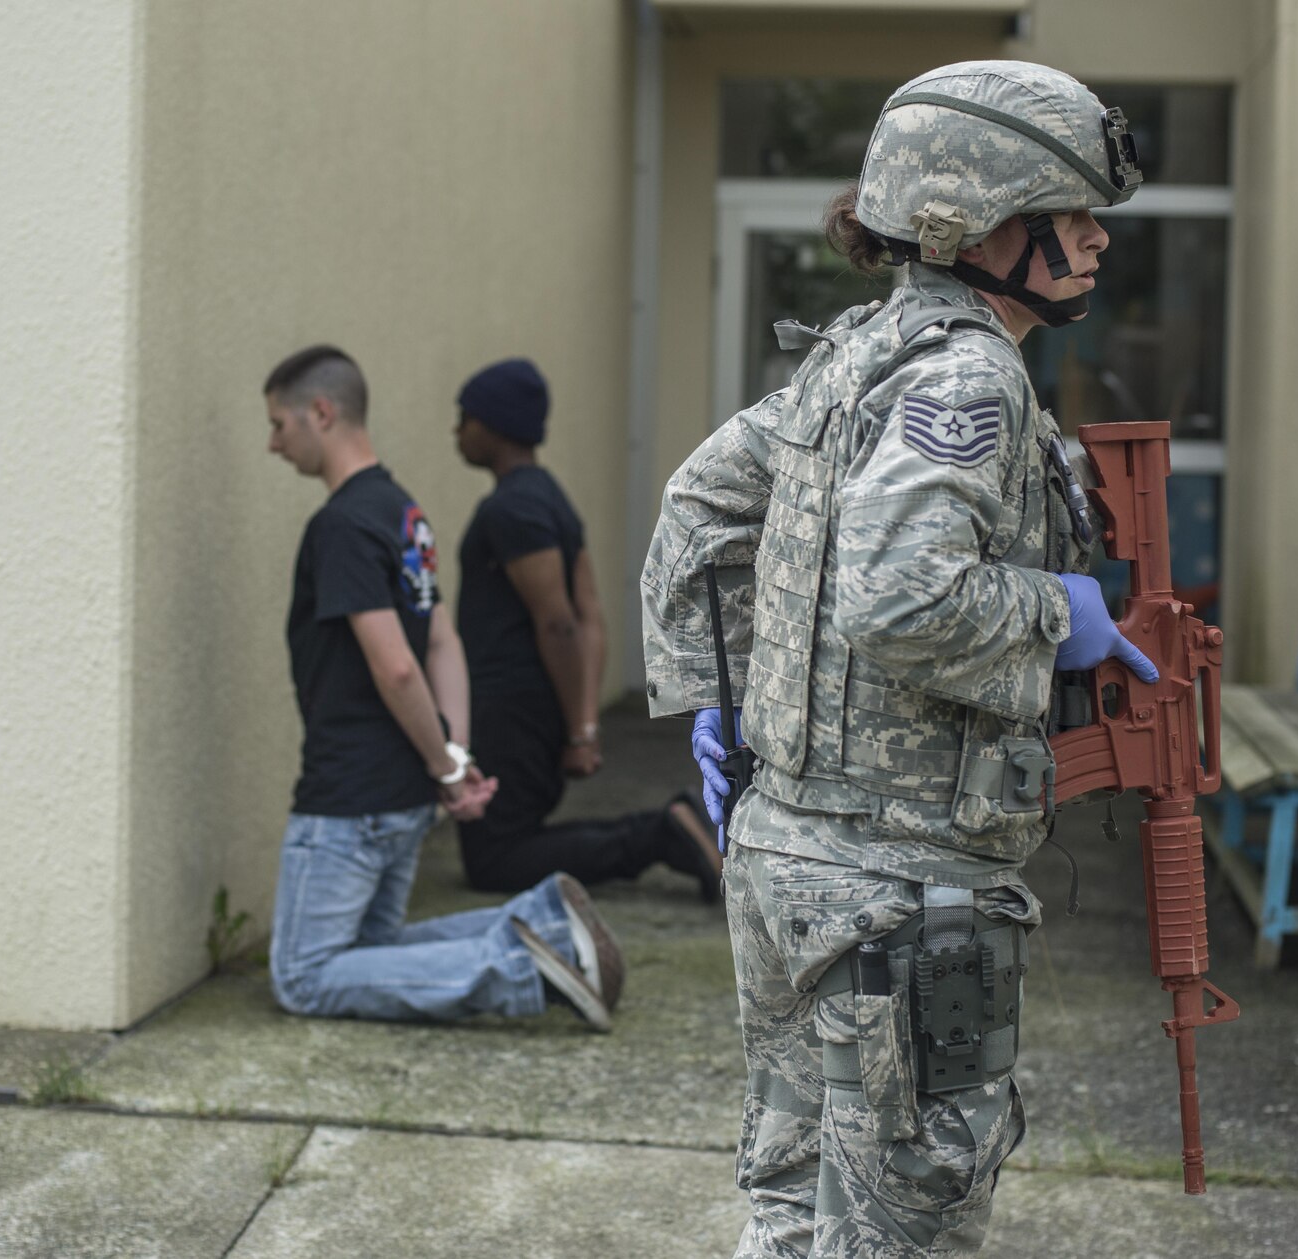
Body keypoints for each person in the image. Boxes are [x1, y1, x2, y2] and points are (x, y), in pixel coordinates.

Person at [641, 62, 1159, 1256]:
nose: (1093, 240)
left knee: (788, 1208)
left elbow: (699, 506)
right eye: (1067, 215)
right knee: (899, 1226)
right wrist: (1056, 611)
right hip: (896, 886)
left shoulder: (857, 349)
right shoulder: (969, 373)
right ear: (976, 224)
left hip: (785, 860)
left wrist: (720, 704)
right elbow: (900, 595)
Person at [263, 344, 625, 1032]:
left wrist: (445, 767)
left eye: (280, 424)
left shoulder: (341, 524)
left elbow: (398, 664)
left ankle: (523, 965)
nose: (273, 443)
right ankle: (542, 921)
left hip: (350, 798)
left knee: (304, 973)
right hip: (400, 795)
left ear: (321, 412)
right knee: (364, 954)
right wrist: (453, 755)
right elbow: (442, 641)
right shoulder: (406, 515)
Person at [449, 357, 723, 901]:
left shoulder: (513, 509)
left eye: (464, 417)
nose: (456, 430)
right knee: (506, 844)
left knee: (496, 859)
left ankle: (661, 834)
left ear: (493, 424)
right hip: (532, 707)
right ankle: (663, 830)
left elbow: (560, 622)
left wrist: (580, 731)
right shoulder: (547, 497)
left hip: (512, 710)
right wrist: (584, 720)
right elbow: (591, 614)